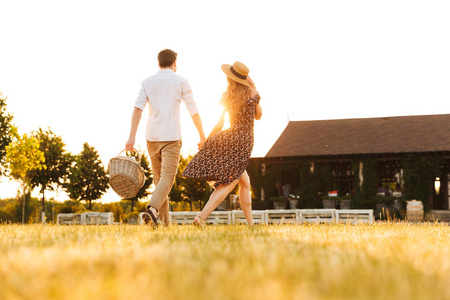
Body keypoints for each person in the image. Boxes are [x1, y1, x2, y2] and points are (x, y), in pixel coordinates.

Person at [126, 49, 206, 227]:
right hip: (171, 137)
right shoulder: (181, 82)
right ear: (175, 63)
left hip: (152, 137)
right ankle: (152, 210)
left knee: (159, 180)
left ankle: (164, 223)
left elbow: (137, 108)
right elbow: (192, 109)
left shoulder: (147, 82)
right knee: (168, 178)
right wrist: (201, 134)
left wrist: (131, 137)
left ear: (158, 63)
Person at [182, 61, 262, 226]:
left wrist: (206, 140)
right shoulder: (253, 93)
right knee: (229, 182)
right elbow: (258, 116)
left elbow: (219, 124)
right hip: (243, 143)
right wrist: (254, 86)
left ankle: (251, 225)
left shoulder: (226, 96)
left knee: (245, 182)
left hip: (228, 138)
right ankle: (201, 217)